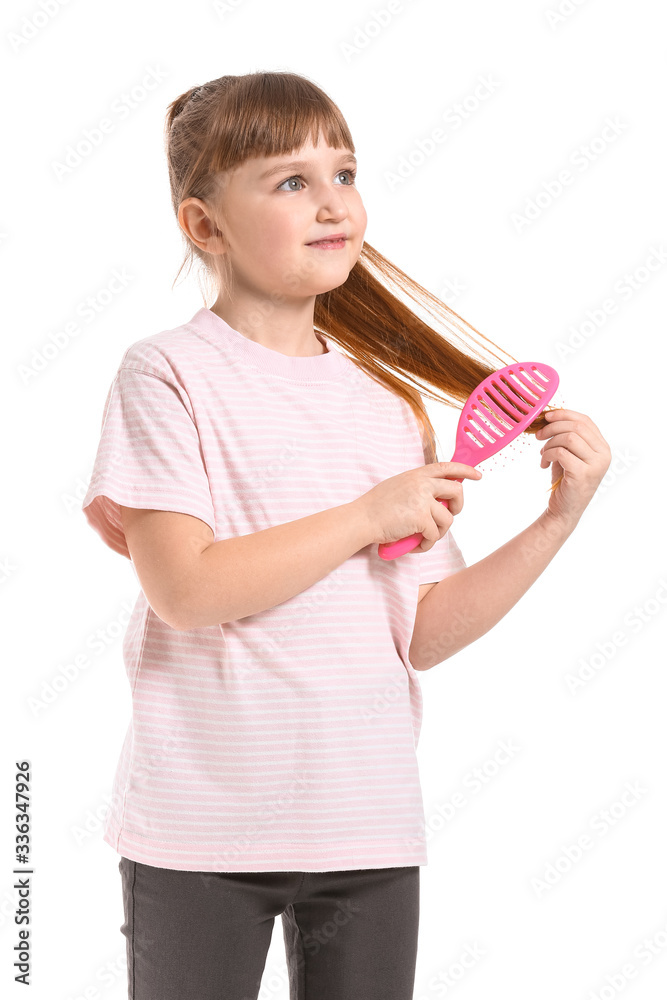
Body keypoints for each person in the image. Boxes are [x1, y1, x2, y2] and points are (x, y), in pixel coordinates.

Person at [81, 71, 611, 1000]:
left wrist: (557, 519)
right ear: (203, 225)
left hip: (365, 824)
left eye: (344, 173)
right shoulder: (165, 375)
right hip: (202, 825)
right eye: (290, 182)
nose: (333, 204)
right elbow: (186, 591)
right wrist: (369, 515)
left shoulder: (385, 406)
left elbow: (417, 633)